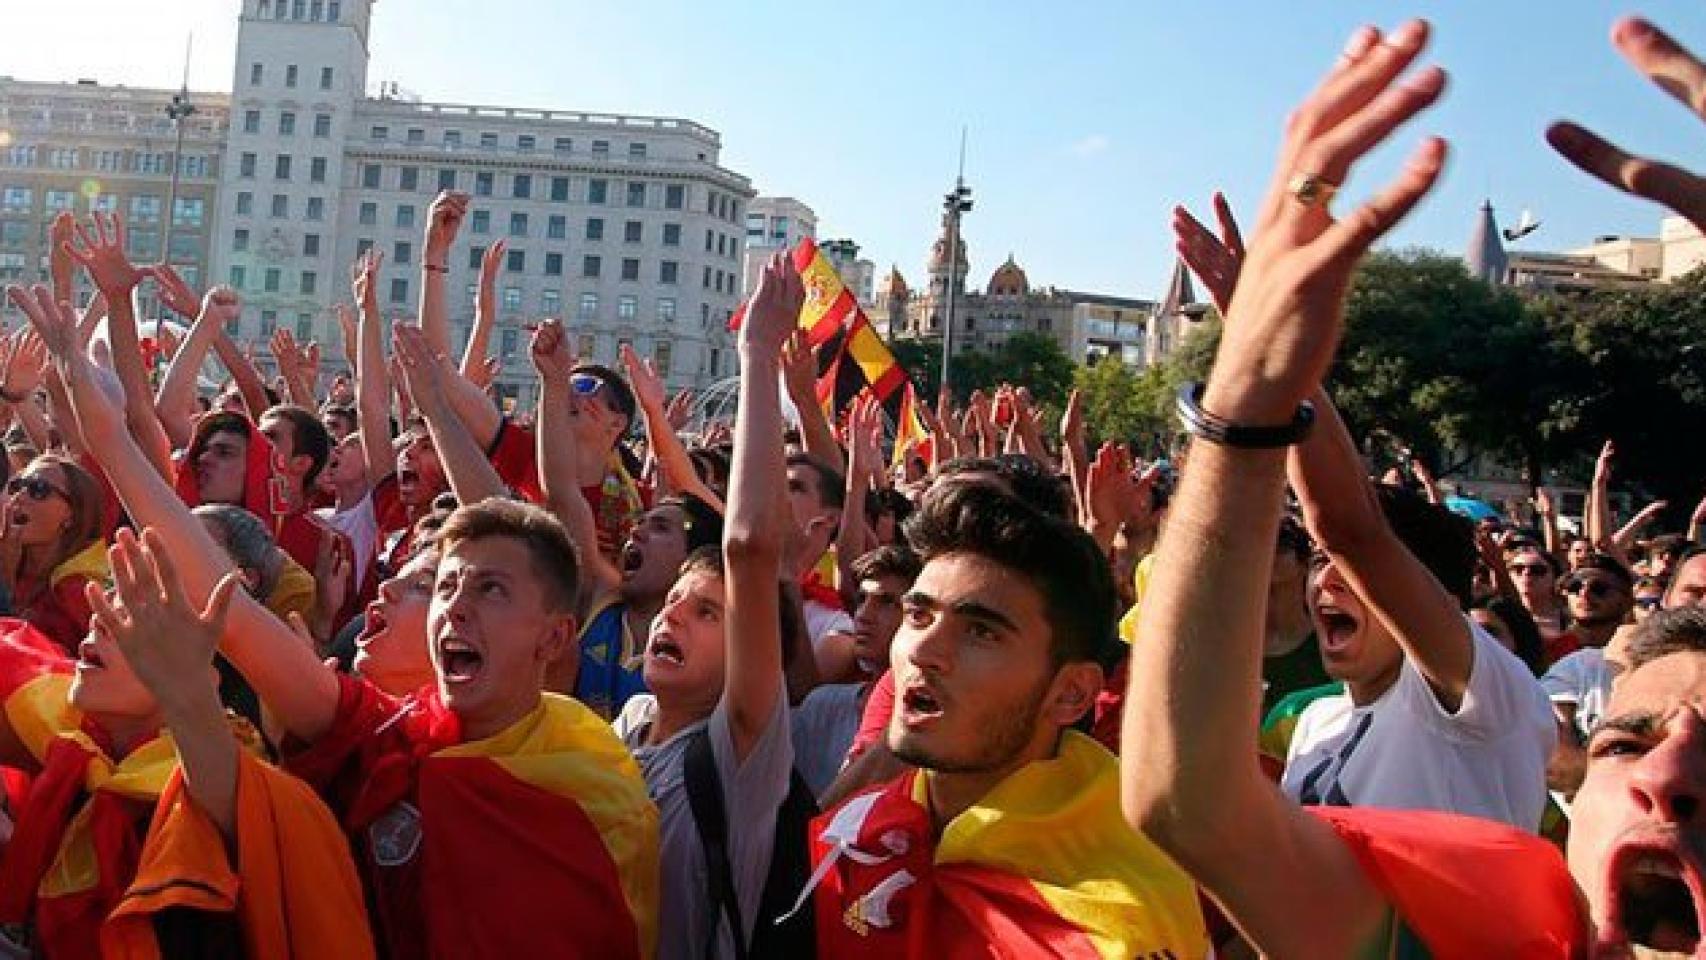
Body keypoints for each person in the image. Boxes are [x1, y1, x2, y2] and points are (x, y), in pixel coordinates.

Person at [1126, 15, 1706, 955]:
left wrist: (1260, 405)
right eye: (1626, 744)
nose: (1668, 770)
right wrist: (1248, 375)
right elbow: (1185, 803)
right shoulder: (1470, 927)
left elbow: (1349, 522)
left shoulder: (1488, 697)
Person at [10, 283, 662, 959]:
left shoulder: (593, 795)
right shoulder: (389, 738)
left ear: (555, 637)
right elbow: (231, 615)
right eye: (447, 586)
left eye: (491, 590)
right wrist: (110, 444)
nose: (457, 606)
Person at [807, 477, 1208, 956]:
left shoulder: (1119, 929)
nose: (925, 652)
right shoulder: (855, 832)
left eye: (981, 632)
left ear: (1072, 694)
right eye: (919, 616)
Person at [0, 524, 372, 957]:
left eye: (138, 616)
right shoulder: (71, 743)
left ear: (206, 674)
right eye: (110, 596)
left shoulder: (223, 797)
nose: (100, 618)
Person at [606, 254, 805, 960]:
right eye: (678, 602)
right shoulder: (623, 726)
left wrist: (758, 355)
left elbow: (750, 549)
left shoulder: (737, 758)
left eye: (710, 614)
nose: (674, 617)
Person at [791, 545, 921, 799]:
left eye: (886, 602)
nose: (864, 615)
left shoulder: (931, 729)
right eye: (862, 599)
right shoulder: (820, 705)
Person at [0, 454, 108, 651]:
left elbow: (35, 663)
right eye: (17, 486)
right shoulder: (13, 561)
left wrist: (5, 581)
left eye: (38, 489)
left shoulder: (78, 591)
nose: (19, 496)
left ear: (72, 515)